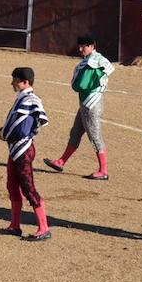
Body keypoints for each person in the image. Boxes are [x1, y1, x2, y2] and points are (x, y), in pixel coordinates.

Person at [44, 34, 114, 179]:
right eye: (80, 45)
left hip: (91, 104)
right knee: (75, 133)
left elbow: (81, 84)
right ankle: (61, 162)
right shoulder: (93, 60)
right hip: (87, 103)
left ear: (92, 46)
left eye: (84, 46)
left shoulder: (93, 62)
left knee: (95, 136)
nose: (81, 48)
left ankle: (103, 171)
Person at [1, 66, 51, 241]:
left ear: (25, 82)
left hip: (23, 149)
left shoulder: (30, 100)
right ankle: (15, 226)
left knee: (28, 188)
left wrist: (6, 134)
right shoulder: (23, 98)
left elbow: (23, 128)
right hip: (16, 149)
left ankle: (44, 228)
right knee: (12, 186)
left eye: (15, 80)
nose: (12, 83)